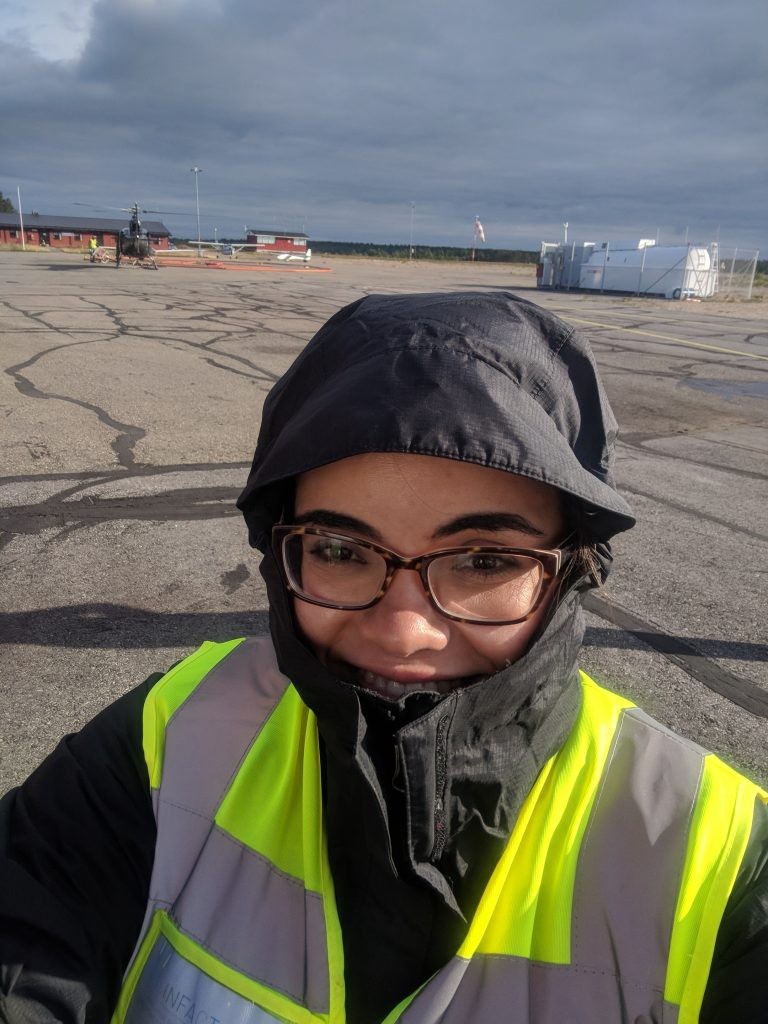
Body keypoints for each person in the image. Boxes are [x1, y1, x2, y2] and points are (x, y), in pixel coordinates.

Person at [0, 291, 766, 1024]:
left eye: (485, 561)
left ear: (573, 571)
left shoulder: (723, 863)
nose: (405, 632)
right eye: (339, 549)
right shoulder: (168, 738)